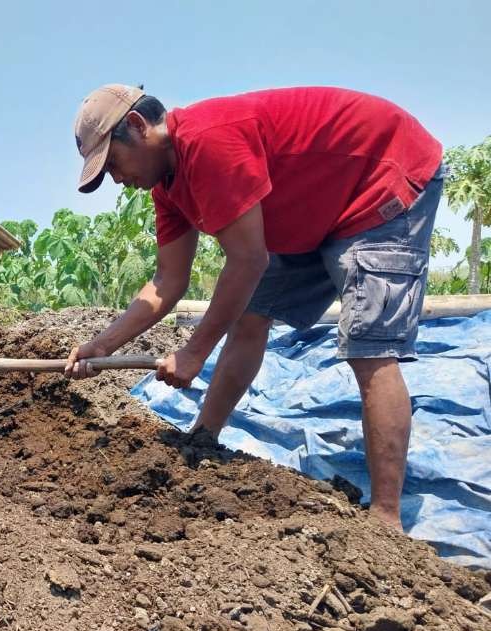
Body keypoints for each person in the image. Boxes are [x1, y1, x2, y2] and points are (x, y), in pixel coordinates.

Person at [66, 84, 443, 528]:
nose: (117, 179)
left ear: (137, 125)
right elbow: (168, 281)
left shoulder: (209, 140)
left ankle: (385, 518)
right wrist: (102, 344)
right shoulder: (168, 189)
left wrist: (194, 352)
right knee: (249, 314)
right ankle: (203, 439)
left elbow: (247, 260)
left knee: (368, 345)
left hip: (380, 178)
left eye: (113, 163)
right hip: (314, 211)